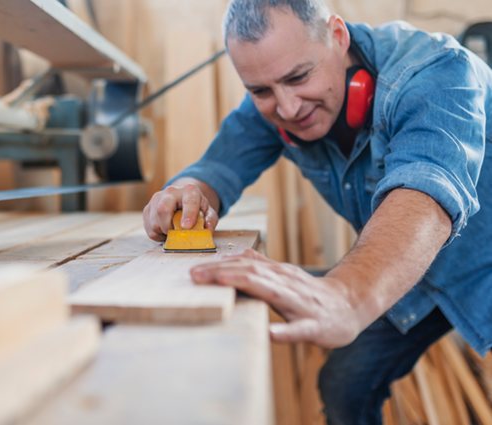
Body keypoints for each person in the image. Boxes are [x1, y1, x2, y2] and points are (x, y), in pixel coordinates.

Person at [142, 0, 492, 423]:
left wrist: (346, 294)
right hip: (412, 274)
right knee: (345, 384)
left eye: (299, 77)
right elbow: (218, 166)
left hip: (479, 261)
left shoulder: (435, 71)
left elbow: (426, 195)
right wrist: (186, 193)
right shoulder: (276, 101)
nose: (287, 109)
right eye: (262, 91)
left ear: (337, 36)